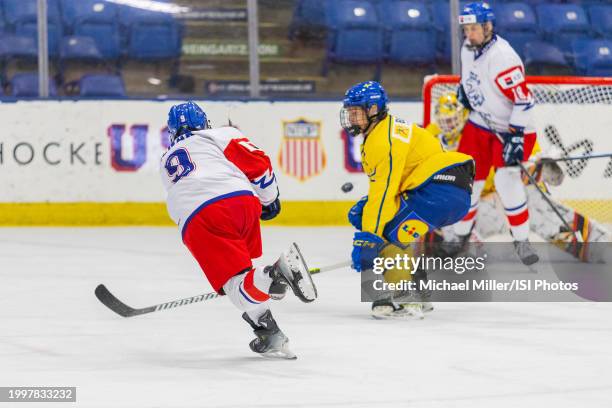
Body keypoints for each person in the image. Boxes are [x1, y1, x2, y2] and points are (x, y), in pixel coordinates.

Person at [159, 101, 317, 359]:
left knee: (236, 286)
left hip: (201, 217)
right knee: (243, 280)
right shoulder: (221, 133)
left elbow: (183, 195)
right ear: (204, 124)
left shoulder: (166, 160)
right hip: (242, 202)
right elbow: (259, 163)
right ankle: (270, 334)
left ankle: (276, 273)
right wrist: (268, 199)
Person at [341, 81, 475, 319]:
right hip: (443, 190)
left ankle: (406, 299)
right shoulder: (384, 130)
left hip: (438, 191)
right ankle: (419, 294)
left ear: (373, 110)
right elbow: (386, 192)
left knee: (386, 233)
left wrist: (368, 239)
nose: (351, 119)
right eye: (349, 112)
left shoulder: (383, 141)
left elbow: (383, 197)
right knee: (380, 222)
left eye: (356, 112)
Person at [453, 2, 539, 265]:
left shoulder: (503, 57)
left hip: (513, 128)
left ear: (488, 27)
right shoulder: (468, 48)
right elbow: (469, 79)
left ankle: (522, 242)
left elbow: (524, 100)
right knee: (466, 183)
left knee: (507, 184)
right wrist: (465, 92)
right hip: (480, 124)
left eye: (474, 28)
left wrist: (514, 135)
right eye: (466, 29)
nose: (470, 34)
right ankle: (460, 238)